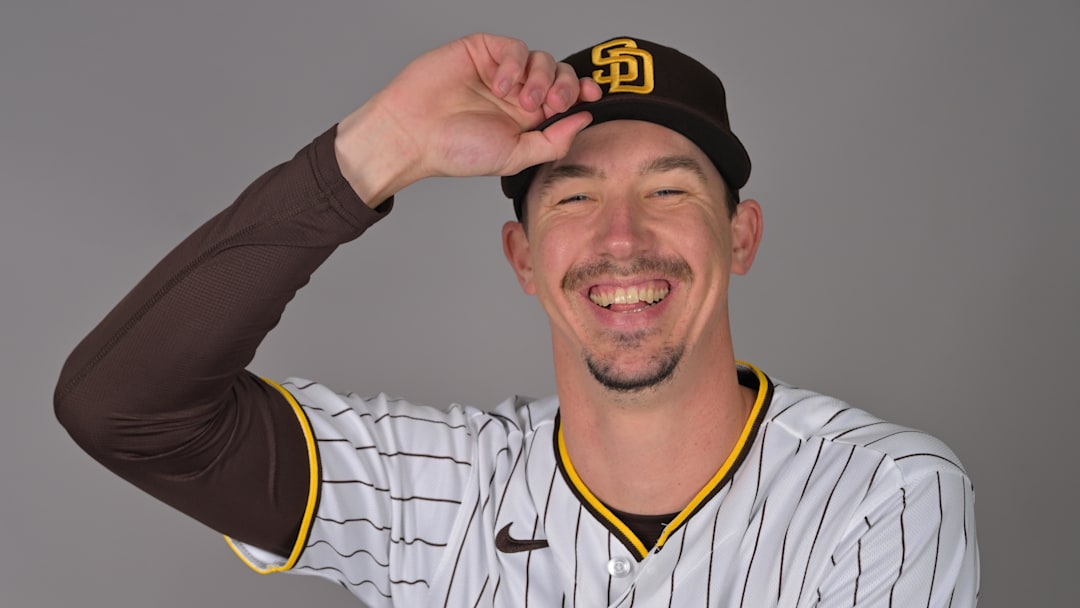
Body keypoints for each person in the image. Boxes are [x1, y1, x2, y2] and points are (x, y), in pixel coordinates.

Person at [55, 33, 979, 606]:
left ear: (740, 236)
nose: (623, 239)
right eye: (574, 198)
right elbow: (125, 410)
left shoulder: (879, 494)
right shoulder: (441, 493)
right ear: (523, 258)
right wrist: (379, 149)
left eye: (669, 190)